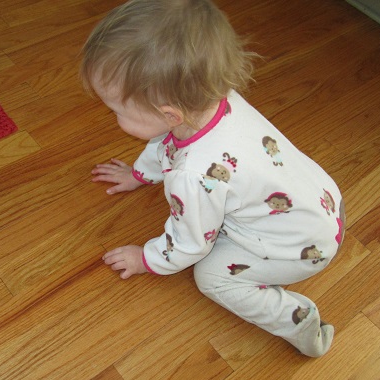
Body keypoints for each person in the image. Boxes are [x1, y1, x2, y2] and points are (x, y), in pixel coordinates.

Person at [81, 0, 345, 357]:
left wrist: (147, 259)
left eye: (116, 110)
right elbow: (166, 142)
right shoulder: (210, 100)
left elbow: (190, 243)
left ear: (170, 115)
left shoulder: (192, 175)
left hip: (298, 248)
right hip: (322, 202)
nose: (112, 117)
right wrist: (139, 174)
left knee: (211, 276)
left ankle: (297, 319)